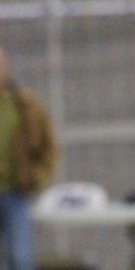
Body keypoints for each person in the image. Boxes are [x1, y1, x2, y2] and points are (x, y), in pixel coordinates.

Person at [0, 46, 57, 270]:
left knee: (21, 259)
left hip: (14, 192)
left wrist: (37, 177)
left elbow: (47, 145)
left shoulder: (24, 104)